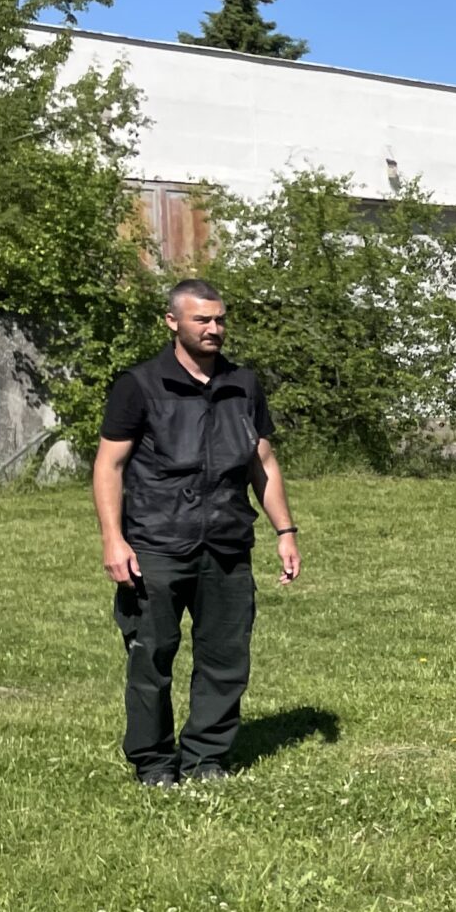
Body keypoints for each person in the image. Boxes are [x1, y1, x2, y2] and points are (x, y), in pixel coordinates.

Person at [92, 279, 301, 785]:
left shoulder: (243, 384)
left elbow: (263, 463)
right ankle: (155, 762)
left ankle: (206, 757)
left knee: (226, 658)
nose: (213, 328)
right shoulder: (139, 385)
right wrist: (113, 540)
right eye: (201, 319)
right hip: (157, 544)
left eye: (219, 319)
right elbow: (108, 467)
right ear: (172, 322)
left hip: (227, 543)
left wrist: (285, 530)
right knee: (151, 658)